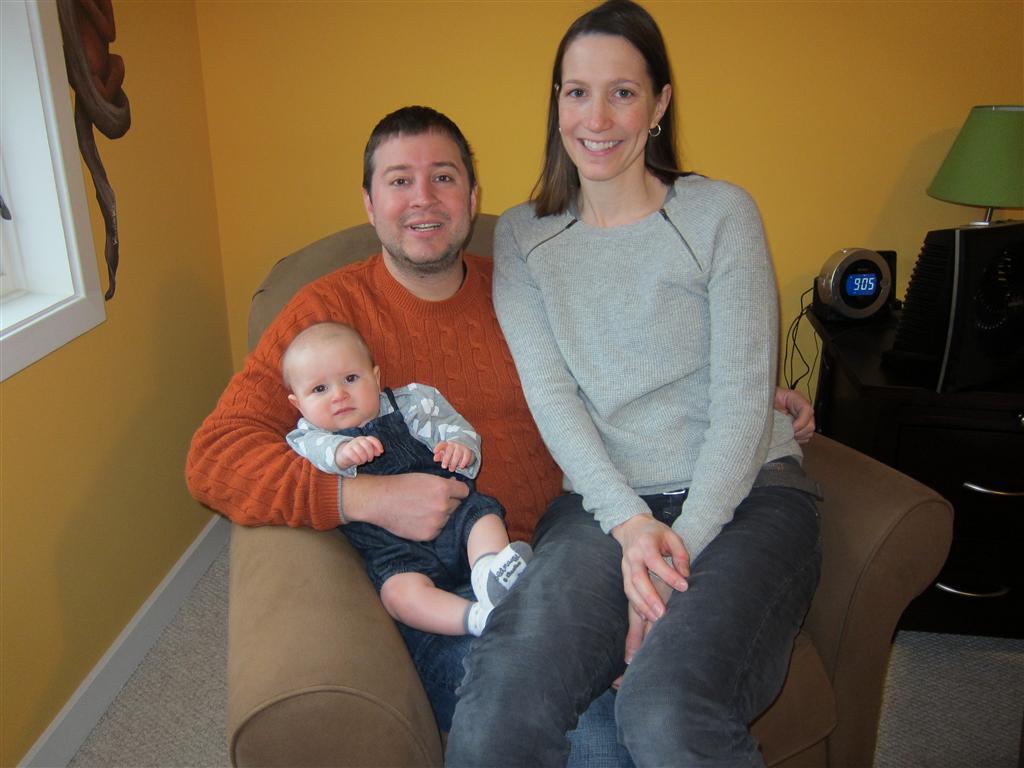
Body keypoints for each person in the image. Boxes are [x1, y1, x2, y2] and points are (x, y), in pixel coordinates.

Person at [186, 104, 815, 752]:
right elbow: (216, 454)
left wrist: (745, 392)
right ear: (370, 204)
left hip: (571, 552)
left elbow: (628, 366)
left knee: (651, 712)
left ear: (472, 195)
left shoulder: (523, 284)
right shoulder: (329, 312)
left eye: (444, 177)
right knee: (596, 743)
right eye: (399, 180)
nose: (423, 198)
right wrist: (366, 498)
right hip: (443, 588)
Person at [445, 2, 823, 767]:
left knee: (663, 710)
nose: (597, 117)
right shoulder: (524, 236)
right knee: (499, 708)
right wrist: (628, 525)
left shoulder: (720, 215)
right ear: (556, 103)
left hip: (746, 498)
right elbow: (553, 399)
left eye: (623, 92)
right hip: (604, 508)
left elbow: (743, 403)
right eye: (577, 92)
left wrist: (668, 561)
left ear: (659, 105)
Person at [281, 321, 531, 637]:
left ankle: (488, 572)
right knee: (396, 596)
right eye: (320, 389)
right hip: (395, 552)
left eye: (351, 379)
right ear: (298, 403)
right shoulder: (309, 436)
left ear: (375, 377)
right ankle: (477, 618)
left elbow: (455, 428)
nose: (339, 395)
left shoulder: (412, 403)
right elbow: (316, 455)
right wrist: (341, 451)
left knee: (484, 517)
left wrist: (459, 448)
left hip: (456, 520)